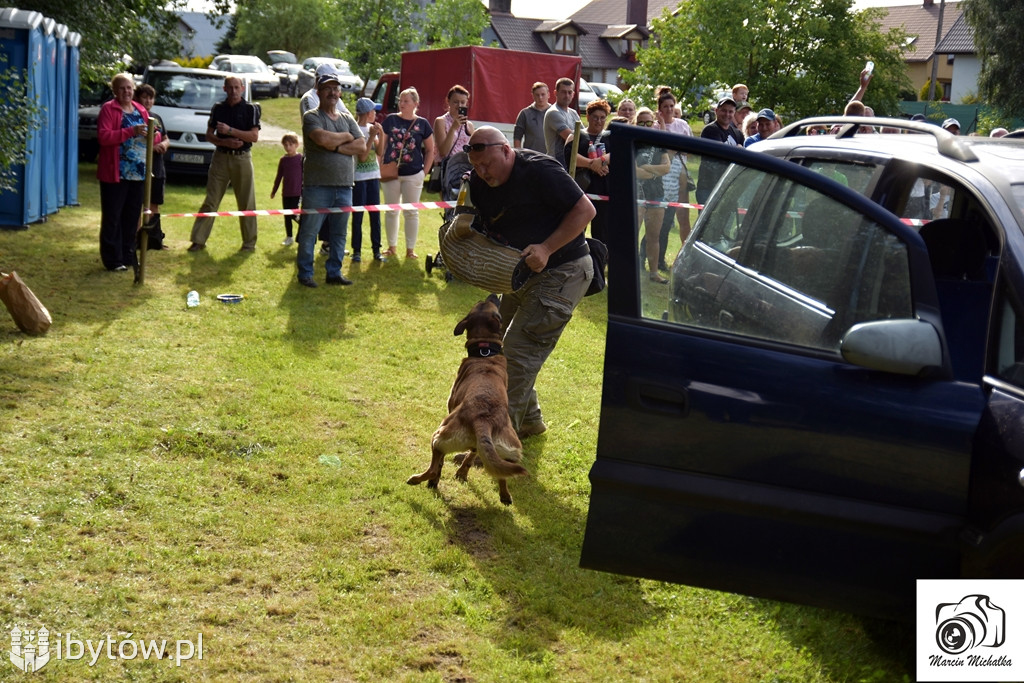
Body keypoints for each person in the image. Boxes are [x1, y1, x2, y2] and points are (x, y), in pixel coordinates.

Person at [465, 126, 595, 437]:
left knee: (515, 357)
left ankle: (496, 441)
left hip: (565, 270)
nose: (482, 172)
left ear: (507, 150)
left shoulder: (539, 170)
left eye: (488, 164)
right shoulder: (480, 184)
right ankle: (529, 421)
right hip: (522, 275)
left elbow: (585, 210)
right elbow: (485, 232)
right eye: (476, 166)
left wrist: (547, 247)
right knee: (497, 350)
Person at [295, 72, 365, 288]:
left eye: (336, 88)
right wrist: (345, 138)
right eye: (328, 88)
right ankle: (305, 273)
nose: (333, 92)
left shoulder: (347, 118)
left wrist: (334, 145)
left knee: (339, 233)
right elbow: (321, 138)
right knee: (309, 231)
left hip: (345, 185)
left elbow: (362, 146)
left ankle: (334, 272)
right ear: (319, 91)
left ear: (340, 92)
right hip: (318, 186)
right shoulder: (312, 116)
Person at [187, 76, 261, 252]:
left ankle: (249, 243)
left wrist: (230, 131)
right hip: (220, 157)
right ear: (224, 89)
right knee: (211, 200)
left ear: (242, 89)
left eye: (237, 87)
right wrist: (224, 142)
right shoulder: (218, 108)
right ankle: (198, 240)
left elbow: (254, 137)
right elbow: (209, 135)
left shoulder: (251, 109)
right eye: (230, 88)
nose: (234, 91)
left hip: (242, 158)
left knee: (246, 201)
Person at [97, 73, 154, 271]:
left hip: (138, 173)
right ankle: (113, 260)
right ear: (115, 91)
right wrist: (131, 131)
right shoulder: (108, 109)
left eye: (129, 88)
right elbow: (104, 137)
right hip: (115, 173)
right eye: (122, 88)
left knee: (131, 217)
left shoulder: (140, 109)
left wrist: (153, 136)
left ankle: (128, 255)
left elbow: (150, 136)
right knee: (113, 217)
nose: (126, 92)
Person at [380, 87, 434, 259]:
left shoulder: (423, 124)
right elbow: (381, 146)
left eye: (406, 101)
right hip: (391, 172)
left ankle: (410, 250)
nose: (401, 104)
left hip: (413, 174)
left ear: (415, 104)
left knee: (411, 212)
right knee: (391, 210)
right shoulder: (390, 120)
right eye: (400, 100)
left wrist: (424, 173)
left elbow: (431, 150)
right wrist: (380, 163)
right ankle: (392, 247)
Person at [563, 98, 611, 243]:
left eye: (602, 118)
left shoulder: (611, 137)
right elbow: (570, 156)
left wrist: (601, 161)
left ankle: (600, 263)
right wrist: (591, 164)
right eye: (595, 117)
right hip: (581, 189)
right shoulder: (576, 135)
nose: (599, 121)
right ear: (588, 117)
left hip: (604, 191)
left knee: (601, 234)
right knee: (576, 232)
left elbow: (619, 153)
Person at [655, 90, 693, 270]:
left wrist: (674, 149)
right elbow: (660, 154)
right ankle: (657, 259)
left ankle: (684, 259)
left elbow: (689, 150)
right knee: (662, 222)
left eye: (672, 106)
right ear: (660, 109)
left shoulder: (683, 125)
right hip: (663, 178)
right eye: (665, 107)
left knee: (683, 218)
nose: (669, 109)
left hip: (680, 175)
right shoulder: (656, 127)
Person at [633, 107, 670, 283]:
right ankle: (629, 271)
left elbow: (667, 167)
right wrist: (655, 172)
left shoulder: (659, 143)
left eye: (649, 122)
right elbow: (636, 172)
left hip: (657, 193)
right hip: (636, 194)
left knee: (653, 236)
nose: (646, 125)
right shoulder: (632, 142)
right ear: (636, 123)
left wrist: (649, 170)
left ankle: (653, 273)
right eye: (642, 123)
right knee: (632, 234)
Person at [133, 83, 169, 250]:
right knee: (138, 204)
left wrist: (164, 144)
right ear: (137, 98)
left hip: (157, 167)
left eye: (151, 97)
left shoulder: (157, 117)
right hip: (140, 168)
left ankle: (154, 241)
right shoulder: (134, 117)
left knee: (154, 204)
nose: (148, 101)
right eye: (144, 97)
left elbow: (166, 137)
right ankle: (137, 240)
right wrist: (151, 148)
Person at [352, 97, 385, 262]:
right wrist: (371, 136)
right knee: (358, 216)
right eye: (374, 111)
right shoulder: (356, 130)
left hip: (373, 177)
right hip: (359, 179)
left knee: (375, 216)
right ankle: (356, 251)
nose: (376, 114)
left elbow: (379, 152)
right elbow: (363, 157)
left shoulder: (372, 128)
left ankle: (376, 250)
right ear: (367, 113)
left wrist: (382, 134)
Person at [696, 96, 743, 205]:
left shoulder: (737, 133)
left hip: (727, 187)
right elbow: (721, 152)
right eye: (724, 111)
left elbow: (744, 154)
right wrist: (737, 150)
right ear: (716, 111)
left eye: (730, 112)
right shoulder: (710, 130)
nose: (727, 114)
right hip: (708, 187)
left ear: (734, 113)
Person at [271, 133, 302, 246]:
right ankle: (289, 237)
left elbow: (305, 175)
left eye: (290, 144)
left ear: (296, 145)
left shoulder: (301, 159)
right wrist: (274, 190)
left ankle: (303, 225)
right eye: (285, 145)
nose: (288, 147)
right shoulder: (283, 160)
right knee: (286, 215)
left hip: (297, 192)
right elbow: (279, 176)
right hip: (286, 193)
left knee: (294, 214)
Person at [543, 77, 581, 158]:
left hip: (569, 162)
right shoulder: (553, 113)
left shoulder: (573, 113)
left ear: (573, 94)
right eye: (563, 92)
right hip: (556, 163)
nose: (567, 96)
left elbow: (584, 134)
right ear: (555, 93)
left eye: (569, 92)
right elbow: (572, 138)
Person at [513, 82, 550, 151]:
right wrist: (519, 155)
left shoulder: (555, 113)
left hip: (552, 157)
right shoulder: (525, 113)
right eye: (537, 95)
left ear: (548, 95)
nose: (540, 98)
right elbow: (517, 137)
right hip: (531, 157)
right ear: (533, 96)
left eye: (543, 94)